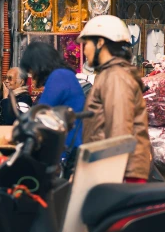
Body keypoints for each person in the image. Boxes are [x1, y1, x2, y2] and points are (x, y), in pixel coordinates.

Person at [79, 15, 151, 182]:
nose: (84, 50)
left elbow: (119, 132)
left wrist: (108, 174)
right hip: (114, 169)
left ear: (100, 43)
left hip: (120, 173)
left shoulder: (116, 76)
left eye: (86, 44)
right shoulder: (110, 74)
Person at [20, 43, 86, 151]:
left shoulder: (59, 76)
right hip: (69, 144)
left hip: (66, 148)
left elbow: (41, 111)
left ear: (38, 66)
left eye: (30, 69)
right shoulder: (65, 75)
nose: (30, 74)